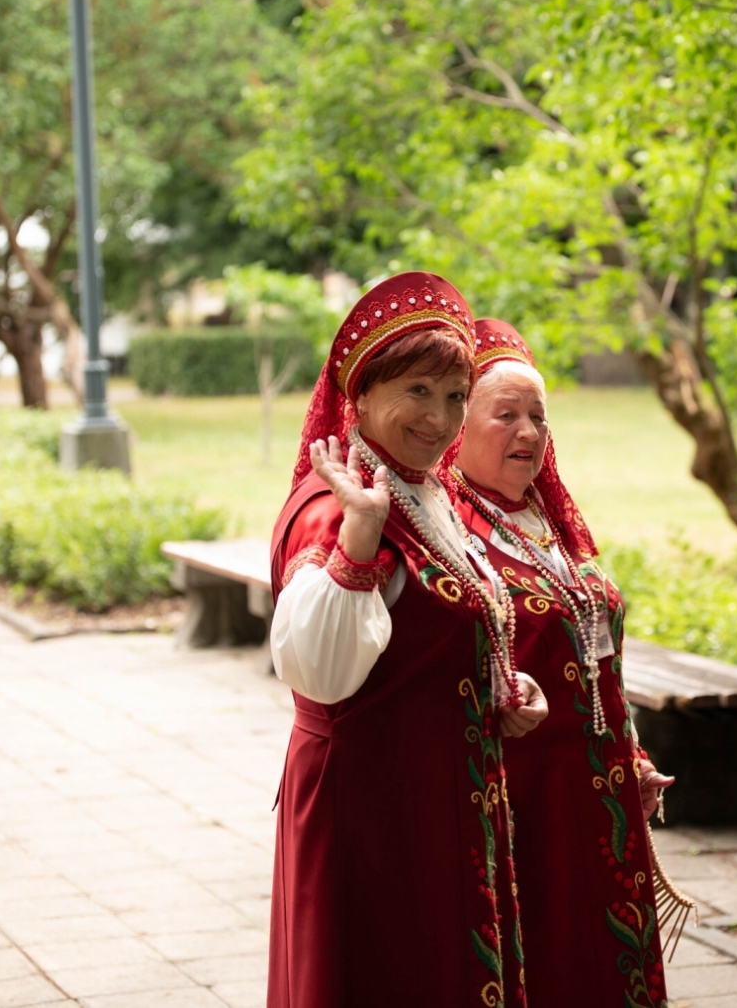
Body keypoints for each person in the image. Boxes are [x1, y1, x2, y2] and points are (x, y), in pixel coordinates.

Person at [266, 275, 548, 1008]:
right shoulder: (337, 508)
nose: (442, 418)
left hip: (438, 802)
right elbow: (317, 675)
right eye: (419, 391)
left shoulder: (426, 492)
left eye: (456, 396)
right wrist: (358, 538)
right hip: (372, 811)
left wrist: (505, 692)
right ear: (360, 397)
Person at [443, 320, 692, 1008]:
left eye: (539, 416)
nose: (529, 431)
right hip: (526, 799)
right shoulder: (448, 530)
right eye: (507, 415)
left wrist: (632, 754)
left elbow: (597, 650)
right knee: (549, 959)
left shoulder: (544, 524)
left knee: (605, 964)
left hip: (597, 789)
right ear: (458, 426)